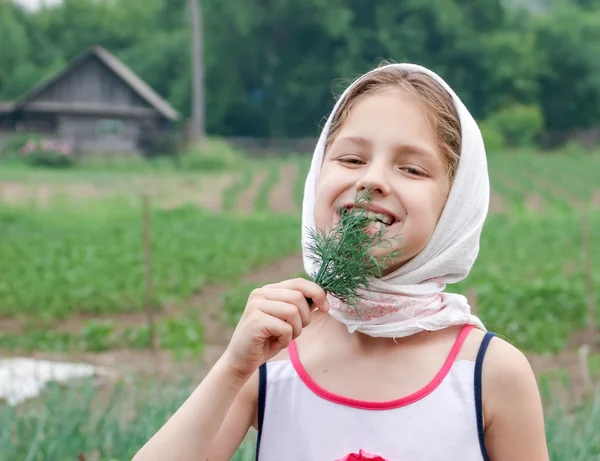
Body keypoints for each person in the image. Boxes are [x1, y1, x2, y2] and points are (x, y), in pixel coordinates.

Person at [133, 63, 549, 461]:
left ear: (455, 205)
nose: (371, 181)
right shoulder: (272, 357)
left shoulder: (489, 373)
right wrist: (232, 369)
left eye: (411, 168)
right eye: (351, 159)